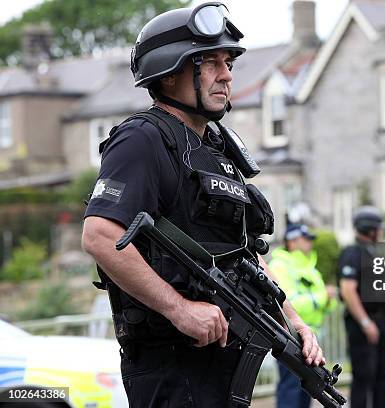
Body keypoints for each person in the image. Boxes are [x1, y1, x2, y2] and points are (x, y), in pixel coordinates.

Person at [81, 4, 324, 407]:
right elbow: (101, 236)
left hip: (218, 365)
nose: (226, 74)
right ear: (169, 72)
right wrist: (179, 309)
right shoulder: (143, 139)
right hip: (173, 365)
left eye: (227, 62)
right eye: (210, 63)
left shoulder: (216, 149)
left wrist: (292, 320)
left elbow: (243, 254)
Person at [269, 224, 337, 408]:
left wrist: (329, 301)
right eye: (305, 239)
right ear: (292, 241)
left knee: (307, 389)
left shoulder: (310, 267)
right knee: (291, 389)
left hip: (311, 339)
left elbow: (323, 306)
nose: (309, 243)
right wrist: (323, 296)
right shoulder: (279, 265)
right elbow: (287, 304)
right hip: (290, 335)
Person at [337, 206, 385, 408]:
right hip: (363, 325)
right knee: (364, 378)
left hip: (380, 322)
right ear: (370, 229)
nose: (381, 232)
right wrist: (365, 323)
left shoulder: (373, 253)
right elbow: (347, 290)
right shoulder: (352, 253)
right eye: (378, 228)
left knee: (381, 378)